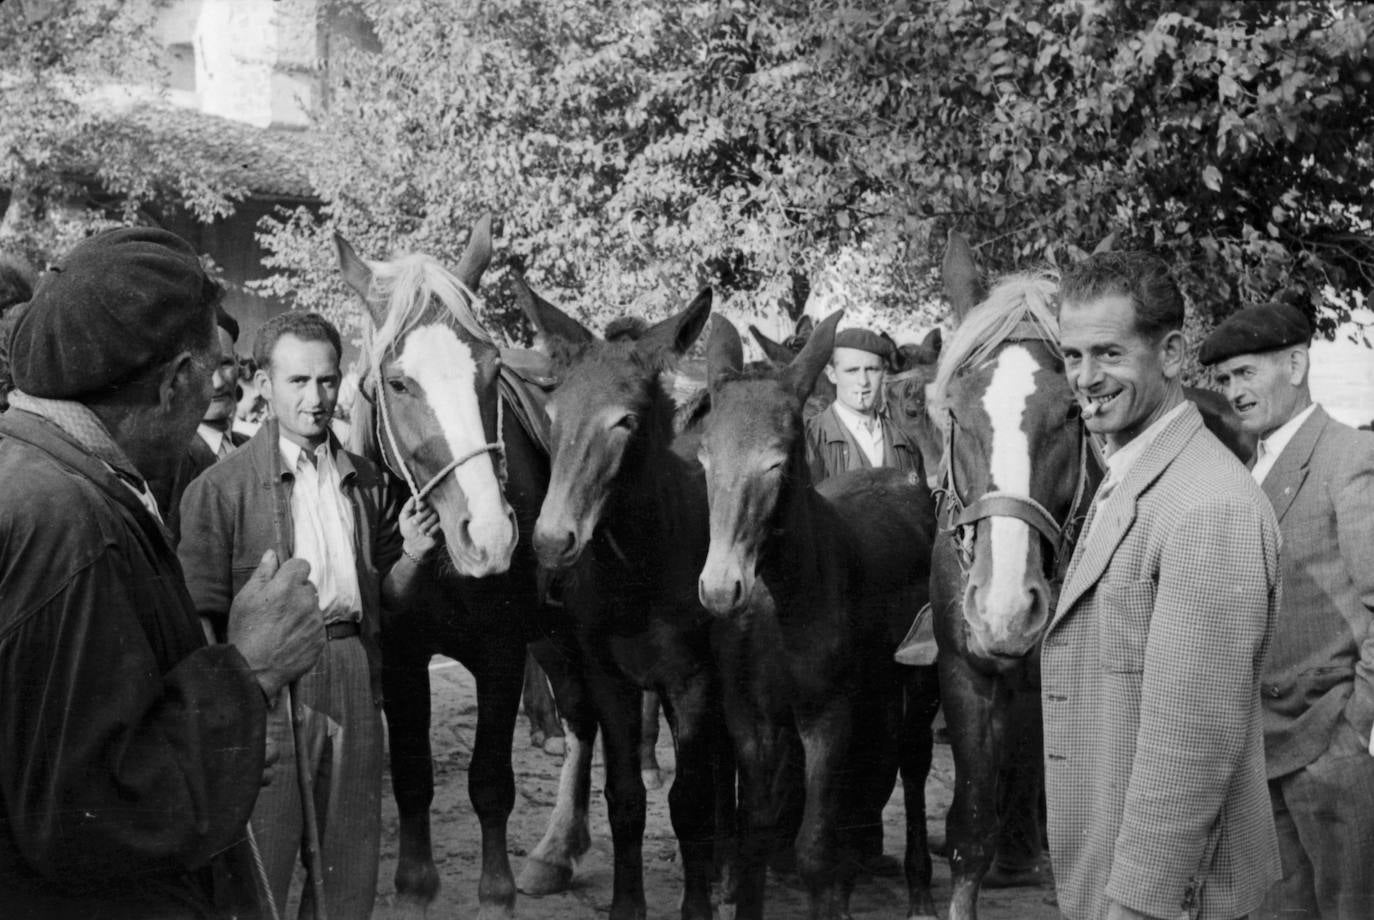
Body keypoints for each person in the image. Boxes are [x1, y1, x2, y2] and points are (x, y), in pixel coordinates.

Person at [0, 226, 324, 918]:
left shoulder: (37, 470)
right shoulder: (69, 523)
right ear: (177, 383)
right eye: (211, 368)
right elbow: (83, 813)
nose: (216, 385)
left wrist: (221, 728)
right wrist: (251, 670)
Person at [1044, 251, 1282, 920]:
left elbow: (1192, 741)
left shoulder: (1209, 505)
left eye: (1109, 354)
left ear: (1173, 353)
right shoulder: (1134, 474)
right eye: (1072, 356)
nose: (1086, 379)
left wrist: (1140, 904)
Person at [178, 310, 439, 917]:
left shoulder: (368, 481)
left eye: (326, 381)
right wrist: (237, 708)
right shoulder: (220, 489)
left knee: (347, 866)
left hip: (349, 667)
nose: (315, 399)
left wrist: (414, 556)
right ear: (262, 384)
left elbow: (387, 602)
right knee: (259, 865)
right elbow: (200, 618)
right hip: (266, 686)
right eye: (297, 382)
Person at [1201, 304, 1374, 920]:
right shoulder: (1247, 468)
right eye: (1224, 381)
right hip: (1262, 747)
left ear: (1297, 364)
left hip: (1331, 748)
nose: (1234, 393)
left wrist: (1354, 727)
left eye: (1245, 373)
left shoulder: (1346, 456)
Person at [153, 305, 250, 543]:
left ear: (238, 364)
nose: (217, 383)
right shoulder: (166, 462)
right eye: (203, 368)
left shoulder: (252, 447)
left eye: (225, 363)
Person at [804, 326, 924, 481]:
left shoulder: (906, 442)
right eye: (852, 371)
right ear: (832, 374)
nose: (863, 381)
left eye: (872, 369)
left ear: (883, 372)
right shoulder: (810, 439)